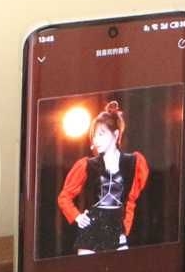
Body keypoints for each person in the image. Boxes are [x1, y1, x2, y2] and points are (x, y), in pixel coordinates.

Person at [56, 100, 150, 255]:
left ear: (116, 134)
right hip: (92, 229)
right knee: (88, 270)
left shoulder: (133, 162)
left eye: (101, 134)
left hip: (117, 228)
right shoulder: (87, 164)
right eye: (94, 136)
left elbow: (131, 201)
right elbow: (64, 197)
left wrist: (125, 228)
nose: (96, 140)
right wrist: (77, 216)